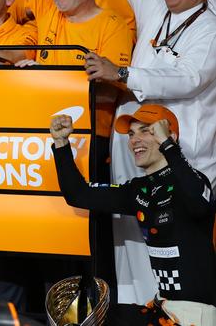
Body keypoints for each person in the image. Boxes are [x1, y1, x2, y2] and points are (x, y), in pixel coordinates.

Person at [90, 0, 216, 305]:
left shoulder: (211, 29)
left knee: (176, 261)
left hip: (188, 161)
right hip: (138, 153)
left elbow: (188, 79)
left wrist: (123, 76)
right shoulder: (154, 6)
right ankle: (134, 311)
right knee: (131, 248)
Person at [50, 106, 216, 325]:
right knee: (86, 315)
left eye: (146, 131)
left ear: (169, 136)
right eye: (131, 134)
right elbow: (78, 195)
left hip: (198, 313)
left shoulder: (193, 182)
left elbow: (199, 203)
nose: (134, 140)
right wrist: (61, 145)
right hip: (165, 308)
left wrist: (169, 146)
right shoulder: (138, 190)